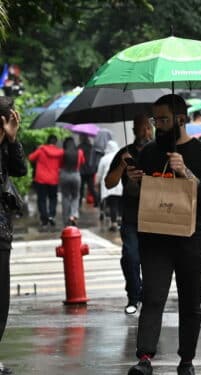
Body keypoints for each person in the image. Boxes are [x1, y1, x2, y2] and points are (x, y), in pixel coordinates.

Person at [126, 95, 201, 375]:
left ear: (181, 119)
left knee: (190, 300)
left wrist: (185, 171)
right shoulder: (151, 152)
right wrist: (136, 181)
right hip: (156, 238)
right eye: (156, 119)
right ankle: (144, 357)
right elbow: (139, 197)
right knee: (153, 296)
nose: (158, 125)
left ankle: (186, 359)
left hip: (192, 238)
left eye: (164, 119)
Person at [105, 114, 152, 315]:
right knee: (131, 256)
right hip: (131, 216)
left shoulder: (158, 151)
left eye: (148, 128)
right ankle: (134, 296)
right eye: (140, 128)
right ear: (133, 130)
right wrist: (123, 166)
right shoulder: (124, 153)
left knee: (152, 259)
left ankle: (150, 296)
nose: (145, 132)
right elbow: (109, 182)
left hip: (154, 215)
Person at [0, 98, 28, 375]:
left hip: (2, 231)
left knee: (1, 298)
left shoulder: (6, 145)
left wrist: (11, 139)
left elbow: (20, 170)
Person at [28, 134, 63, 229]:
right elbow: (62, 164)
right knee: (53, 198)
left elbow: (31, 158)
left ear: (47, 141)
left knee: (42, 199)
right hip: (53, 179)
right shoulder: (60, 152)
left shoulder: (41, 150)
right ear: (55, 142)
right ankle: (51, 216)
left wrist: (38, 149)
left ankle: (44, 219)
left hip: (41, 179)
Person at [59, 137, 85, 226]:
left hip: (64, 175)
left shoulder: (63, 152)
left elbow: (60, 163)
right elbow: (82, 162)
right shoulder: (79, 152)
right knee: (76, 196)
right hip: (76, 175)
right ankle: (73, 215)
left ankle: (66, 219)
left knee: (65, 197)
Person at [97, 140, 122, 232]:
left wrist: (97, 182)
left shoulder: (104, 158)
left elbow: (99, 173)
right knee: (120, 203)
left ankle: (114, 223)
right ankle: (120, 218)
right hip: (120, 184)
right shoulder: (121, 156)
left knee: (113, 204)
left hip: (110, 185)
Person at [78, 135, 95, 207]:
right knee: (91, 188)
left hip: (82, 170)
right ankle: (97, 201)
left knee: (81, 188)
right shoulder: (91, 147)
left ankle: (79, 203)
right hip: (90, 170)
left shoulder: (79, 147)